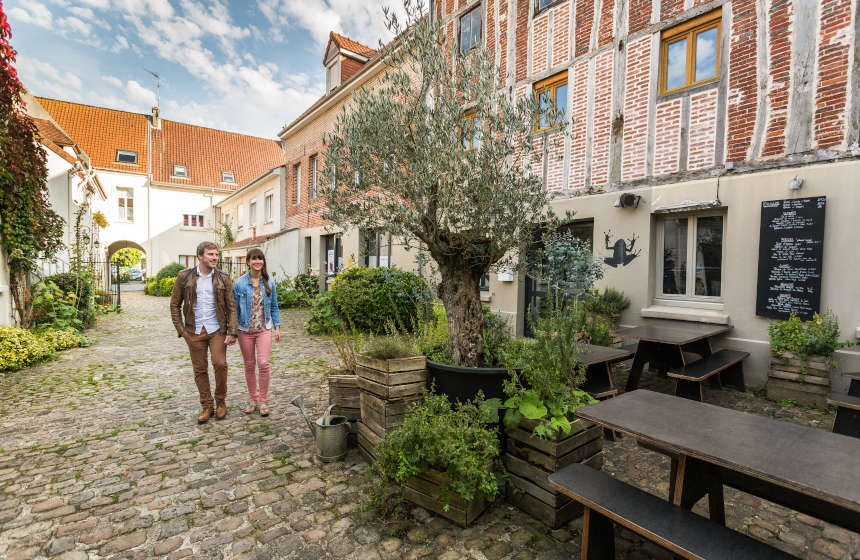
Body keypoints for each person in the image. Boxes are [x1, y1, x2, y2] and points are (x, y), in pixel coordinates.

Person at [170, 241, 237, 424]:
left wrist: (232, 331)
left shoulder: (224, 277)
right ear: (200, 256)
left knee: (220, 364)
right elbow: (175, 304)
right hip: (194, 330)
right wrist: (182, 331)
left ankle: (221, 402)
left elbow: (232, 307)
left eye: (216, 254)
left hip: (217, 330)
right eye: (211, 254)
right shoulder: (184, 277)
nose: (215, 258)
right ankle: (207, 405)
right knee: (200, 370)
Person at [233, 248, 281, 417]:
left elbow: (274, 306)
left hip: (264, 329)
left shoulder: (269, 282)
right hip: (245, 330)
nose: (257, 261)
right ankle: (253, 400)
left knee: (263, 363)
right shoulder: (239, 283)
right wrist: (232, 331)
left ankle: (263, 401)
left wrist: (277, 327)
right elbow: (234, 310)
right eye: (254, 259)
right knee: (249, 364)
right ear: (248, 262)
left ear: (263, 262)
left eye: (260, 258)